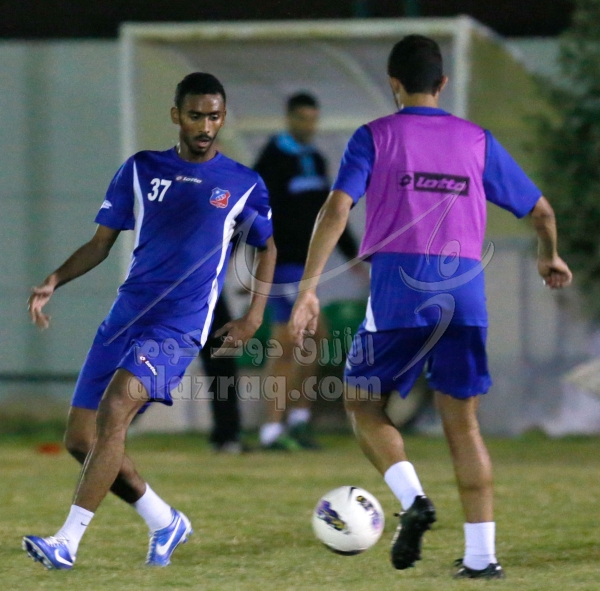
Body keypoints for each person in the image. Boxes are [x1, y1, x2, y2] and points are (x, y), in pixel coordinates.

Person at [290, 35, 572, 579]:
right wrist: (548, 256)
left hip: (399, 285)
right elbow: (541, 210)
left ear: (393, 84)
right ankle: (482, 559)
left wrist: (308, 288)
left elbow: (336, 208)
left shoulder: (374, 135)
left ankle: (413, 499)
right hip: (463, 289)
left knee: (361, 402)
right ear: (442, 83)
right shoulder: (476, 140)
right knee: (463, 425)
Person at [23, 72, 276, 570]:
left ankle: (66, 543)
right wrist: (54, 279)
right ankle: (165, 520)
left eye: (215, 116)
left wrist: (253, 316)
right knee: (80, 439)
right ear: (176, 115)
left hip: (179, 325)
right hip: (126, 315)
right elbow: (101, 243)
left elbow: (266, 248)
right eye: (196, 115)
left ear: (223, 117)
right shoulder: (140, 169)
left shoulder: (243, 184)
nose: (206, 126)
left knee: (117, 408)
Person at [254, 92, 361, 450]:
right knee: (287, 343)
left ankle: (298, 420)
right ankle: (272, 429)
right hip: (283, 264)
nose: (308, 125)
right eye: (302, 118)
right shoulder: (272, 158)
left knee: (314, 338)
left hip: (307, 268)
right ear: (289, 118)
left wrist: (353, 254)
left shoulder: (314, 159)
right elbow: (256, 213)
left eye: (313, 118)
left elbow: (331, 212)